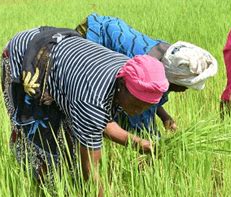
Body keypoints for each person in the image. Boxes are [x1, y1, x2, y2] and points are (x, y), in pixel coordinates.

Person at [1, 26, 169, 197]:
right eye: (136, 104)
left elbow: (102, 121)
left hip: (62, 59)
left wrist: (140, 144)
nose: (139, 111)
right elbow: (89, 169)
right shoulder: (92, 99)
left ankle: (64, 191)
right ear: (121, 84)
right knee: (39, 142)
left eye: (146, 106)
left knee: (71, 141)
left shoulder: (126, 71)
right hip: (26, 56)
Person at [76, 13, 218, 136]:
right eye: (183, 86)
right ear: (170, 79)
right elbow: (140, 116)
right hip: (90, 37)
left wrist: (165, 117)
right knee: (93, 105)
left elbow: (150, 98)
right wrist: (155, 146)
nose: (184, 90)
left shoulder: (168, 59)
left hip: (110, 29)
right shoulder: (144, 71)